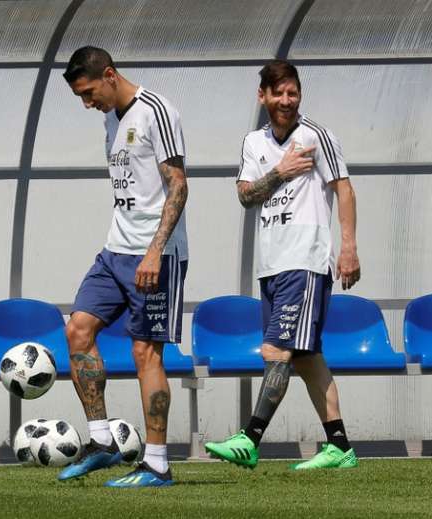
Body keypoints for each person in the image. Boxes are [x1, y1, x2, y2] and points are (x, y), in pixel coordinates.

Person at [204, 60, 361, 471]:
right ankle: (340, 446)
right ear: (264, 96)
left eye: (293, 93)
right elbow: (245, 194)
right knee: (307, 357)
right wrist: (280, 171)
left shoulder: (316, 136)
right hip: (271, 265)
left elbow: (344, 189)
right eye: (279, 93)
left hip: (305, 260)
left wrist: (349, 247)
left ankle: (249, 438)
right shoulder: (253, 143)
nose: (286, 101)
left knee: (277, 351)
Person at [59, 46, 189, 487]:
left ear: (110, 75)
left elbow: (178, 185)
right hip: (114, 251)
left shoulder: (157, 110)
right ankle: (102, 441)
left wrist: (155, 251)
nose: (87, 102)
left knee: (144, 352)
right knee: (77, 329)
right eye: (80, 95)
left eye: (89, 91)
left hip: (156, 255)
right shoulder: (109, 117)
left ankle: (156, 464)